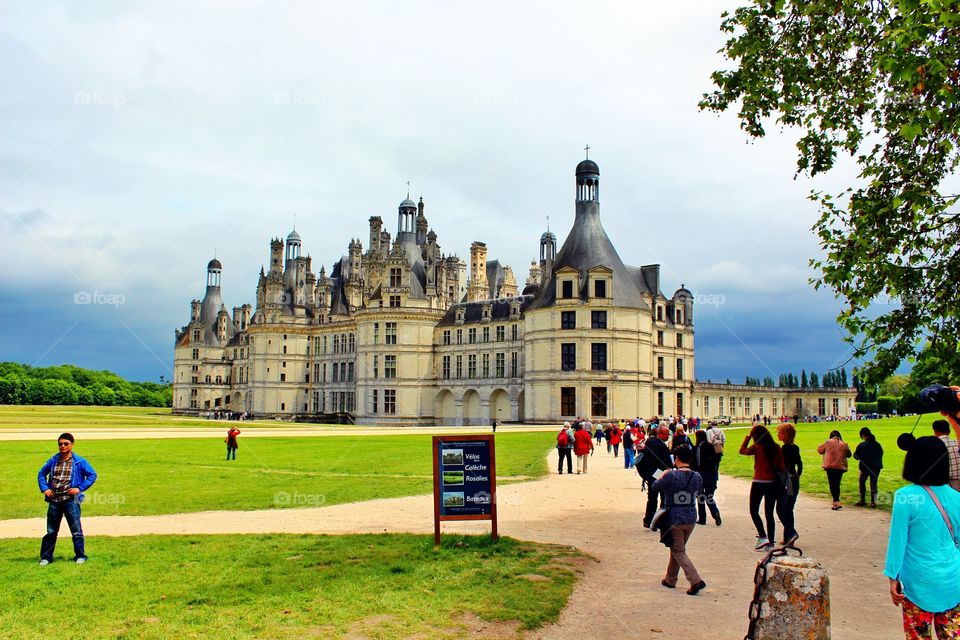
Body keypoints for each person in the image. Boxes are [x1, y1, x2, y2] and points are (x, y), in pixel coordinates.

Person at [884, 436, 960, 638]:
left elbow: (898, 541)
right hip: (953, 579)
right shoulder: (956, 497)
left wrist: (893, 576)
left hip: (918, 581)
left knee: (917, 635)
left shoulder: (905, 496)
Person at [37, 433, 98, 565]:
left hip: (71, 501)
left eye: (66, 444)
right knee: (51, 531)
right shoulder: (53, 460)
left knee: (76, 530)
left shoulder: (79, 461)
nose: (62, 446)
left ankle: (80, 556)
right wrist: (45, 489)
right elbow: (41, 474)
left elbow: (92, 475)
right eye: (60, 444)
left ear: (72, 444)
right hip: (54, 501)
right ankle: (46, 557)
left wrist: (80, 488)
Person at [653, 446, 706, 595]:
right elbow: (699, 492)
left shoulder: (671, 475)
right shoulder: (697, 476)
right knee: (677, 548)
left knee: (678, 550)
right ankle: (670, 578)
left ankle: (695, 580)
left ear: (676, 458)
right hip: (690, 516)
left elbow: (655, 487)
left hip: (674, 516)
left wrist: (662, 476)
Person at [740, 424, 786, 551]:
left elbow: (742, 450)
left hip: (758, 482)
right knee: (769, 514)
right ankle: (770, 542)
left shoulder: (757, 447)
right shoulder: (776, 447)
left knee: (754, 511)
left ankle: (762, 536)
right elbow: (781, 466)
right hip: (772, 483)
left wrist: (748, 437)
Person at [641, 426, 674, 528]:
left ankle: (648, 519)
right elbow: (668, 462)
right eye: (666, 434)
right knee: (664, 498)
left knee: (652, 498)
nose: (668, 436)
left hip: (650, 473)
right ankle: (659, 521)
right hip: (660, 473)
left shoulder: (649, 442)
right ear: (660, 434)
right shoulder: (661, 445)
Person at [777, 422, 801, 545]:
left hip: (787, 480)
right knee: (789, 509)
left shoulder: (784, 448)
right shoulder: (795, 447)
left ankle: (791, 533)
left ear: (785, 435)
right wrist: (797, 474)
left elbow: (782, 465)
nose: (777, 434)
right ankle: (788, 539)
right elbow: (800, 463)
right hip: (794, 479)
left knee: (780, 509)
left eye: (779, 433)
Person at [692, 430, 722, 526]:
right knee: (709, 497)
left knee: (700, 497)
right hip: (711, 475)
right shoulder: (710, 446)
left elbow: (695, 462)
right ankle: (715, 512)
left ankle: (702, 518)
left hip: (701, 474)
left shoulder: (697, 448)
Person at [817, 430, 852, 510]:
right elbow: (849, 454)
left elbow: (819, 450)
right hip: (840, 467)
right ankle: (836, 500)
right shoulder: (844, 444)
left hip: (830, 466)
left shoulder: (828, 442)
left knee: (832, 484)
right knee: (837, 484)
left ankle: (836, 501)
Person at [853, 426, 884, 507]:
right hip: (876, 467)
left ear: (863, 435)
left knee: (862, 482)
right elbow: (881, 453)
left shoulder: (862, 445)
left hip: (865, 467)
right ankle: (873, 502)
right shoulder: (877, 444)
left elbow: (856, 456)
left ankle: (862, 500)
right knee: (874, 484)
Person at [932, 419, 960, 491]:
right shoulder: (957, 443)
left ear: (935, 431)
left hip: (945, 484)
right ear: (949, 431)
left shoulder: (934, 446)